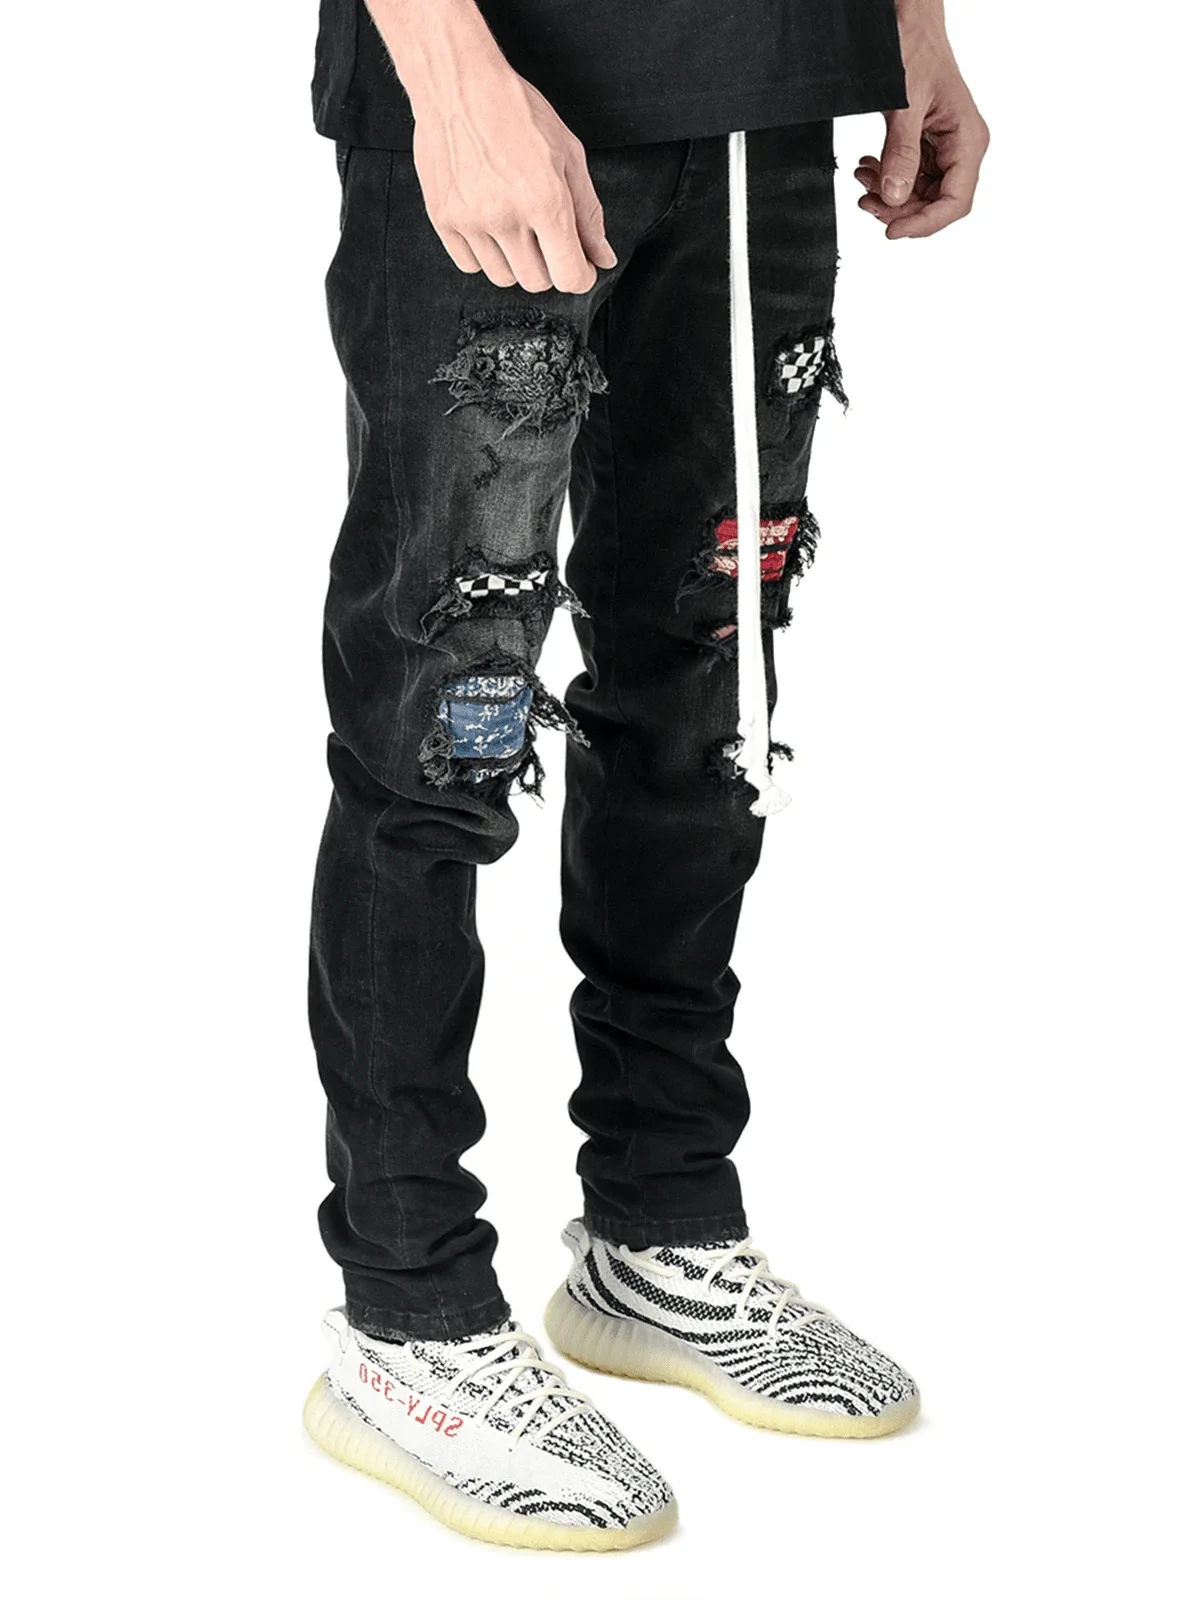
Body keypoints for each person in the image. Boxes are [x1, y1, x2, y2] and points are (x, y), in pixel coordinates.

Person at [302, 0, 987, 1551]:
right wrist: (449, 76)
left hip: (773, 92)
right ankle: (407, 1310)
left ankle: (658, 1227)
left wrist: (910, 23)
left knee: (706, 675)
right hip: (507, 89)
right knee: (446, 726)